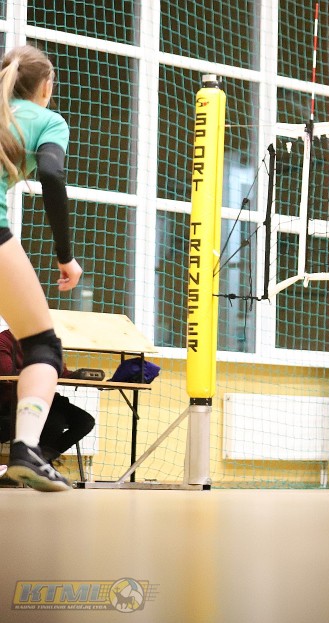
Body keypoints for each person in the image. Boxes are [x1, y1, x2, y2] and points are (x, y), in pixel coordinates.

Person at [0, 46, 83, 491]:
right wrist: (65, 255)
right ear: (46, 87)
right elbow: (51, 174)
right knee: (42, 346)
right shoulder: (47, 120)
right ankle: (27, 450)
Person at [0, 329, 94, 465]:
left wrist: (78, 376)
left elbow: (61, 371)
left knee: (85, 422)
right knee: (55, 422)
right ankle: (36, 463)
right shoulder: (3, 340)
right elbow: (8, 372)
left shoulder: (46, 342)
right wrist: (45, 371)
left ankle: (42, 460)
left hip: (47, 398)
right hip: (15, 400)